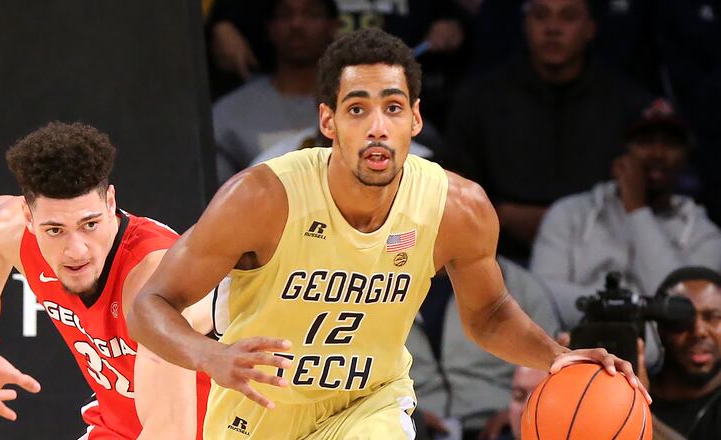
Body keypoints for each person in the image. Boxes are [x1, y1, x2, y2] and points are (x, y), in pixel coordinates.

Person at [128, 28, 645, 439]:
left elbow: (487, 314)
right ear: (328, 120)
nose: (377, 126)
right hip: (258, 416)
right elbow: (150, 304)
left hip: (367, 406)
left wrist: (557, 356)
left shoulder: (456, 208)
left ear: (416, 119)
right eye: (358, 108)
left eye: (393, 107)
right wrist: (209, 355)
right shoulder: (262, 198)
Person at [0, 122, 211, 439]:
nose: (76, 250)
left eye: (89, 224)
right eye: (55, 230)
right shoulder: (16, 232)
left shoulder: (153, 279)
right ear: (29, 218)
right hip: (118, 427)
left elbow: (172, 431)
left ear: (110, 203)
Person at [442, 0, 651, 260]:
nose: (553, 28)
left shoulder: (626, 103)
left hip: (602, 253)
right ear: (525, 24)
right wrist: (499, 214)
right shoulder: (479, 98)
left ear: (591, 28)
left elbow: (645, 194)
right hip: (499, 253)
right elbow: (452, 187)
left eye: (568, 17)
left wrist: (566, 223)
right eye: (541, 16)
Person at [531, 98, 721, 328]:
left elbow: (684, 312)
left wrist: (637, 210)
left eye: (670, 143)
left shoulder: (704, 234)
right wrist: (638, 309)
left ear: (685, 155)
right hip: (577, 346)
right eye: (645, 141)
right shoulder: (570, 214)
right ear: (623, 149)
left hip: (663, 360)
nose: (658, 153)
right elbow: (540, 297)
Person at [407, 257, 561, 440]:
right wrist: (406, 413)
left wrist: (520, 410)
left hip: (497, 425)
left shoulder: (521, 286)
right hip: (412, 424)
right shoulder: (383, 284)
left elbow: (553, 369)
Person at [212, 0, 340, 183]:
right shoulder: (228, 113)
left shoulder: (356, 106)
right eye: (285, 15)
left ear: (334, 25)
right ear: (269, 28)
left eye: (312, 14)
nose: (297, 24)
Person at [648, 266, 721, 439]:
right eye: (682, 318)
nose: (698, 331)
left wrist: (638, 411)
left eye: (713, 317)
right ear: (661, 327)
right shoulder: (632, 384)